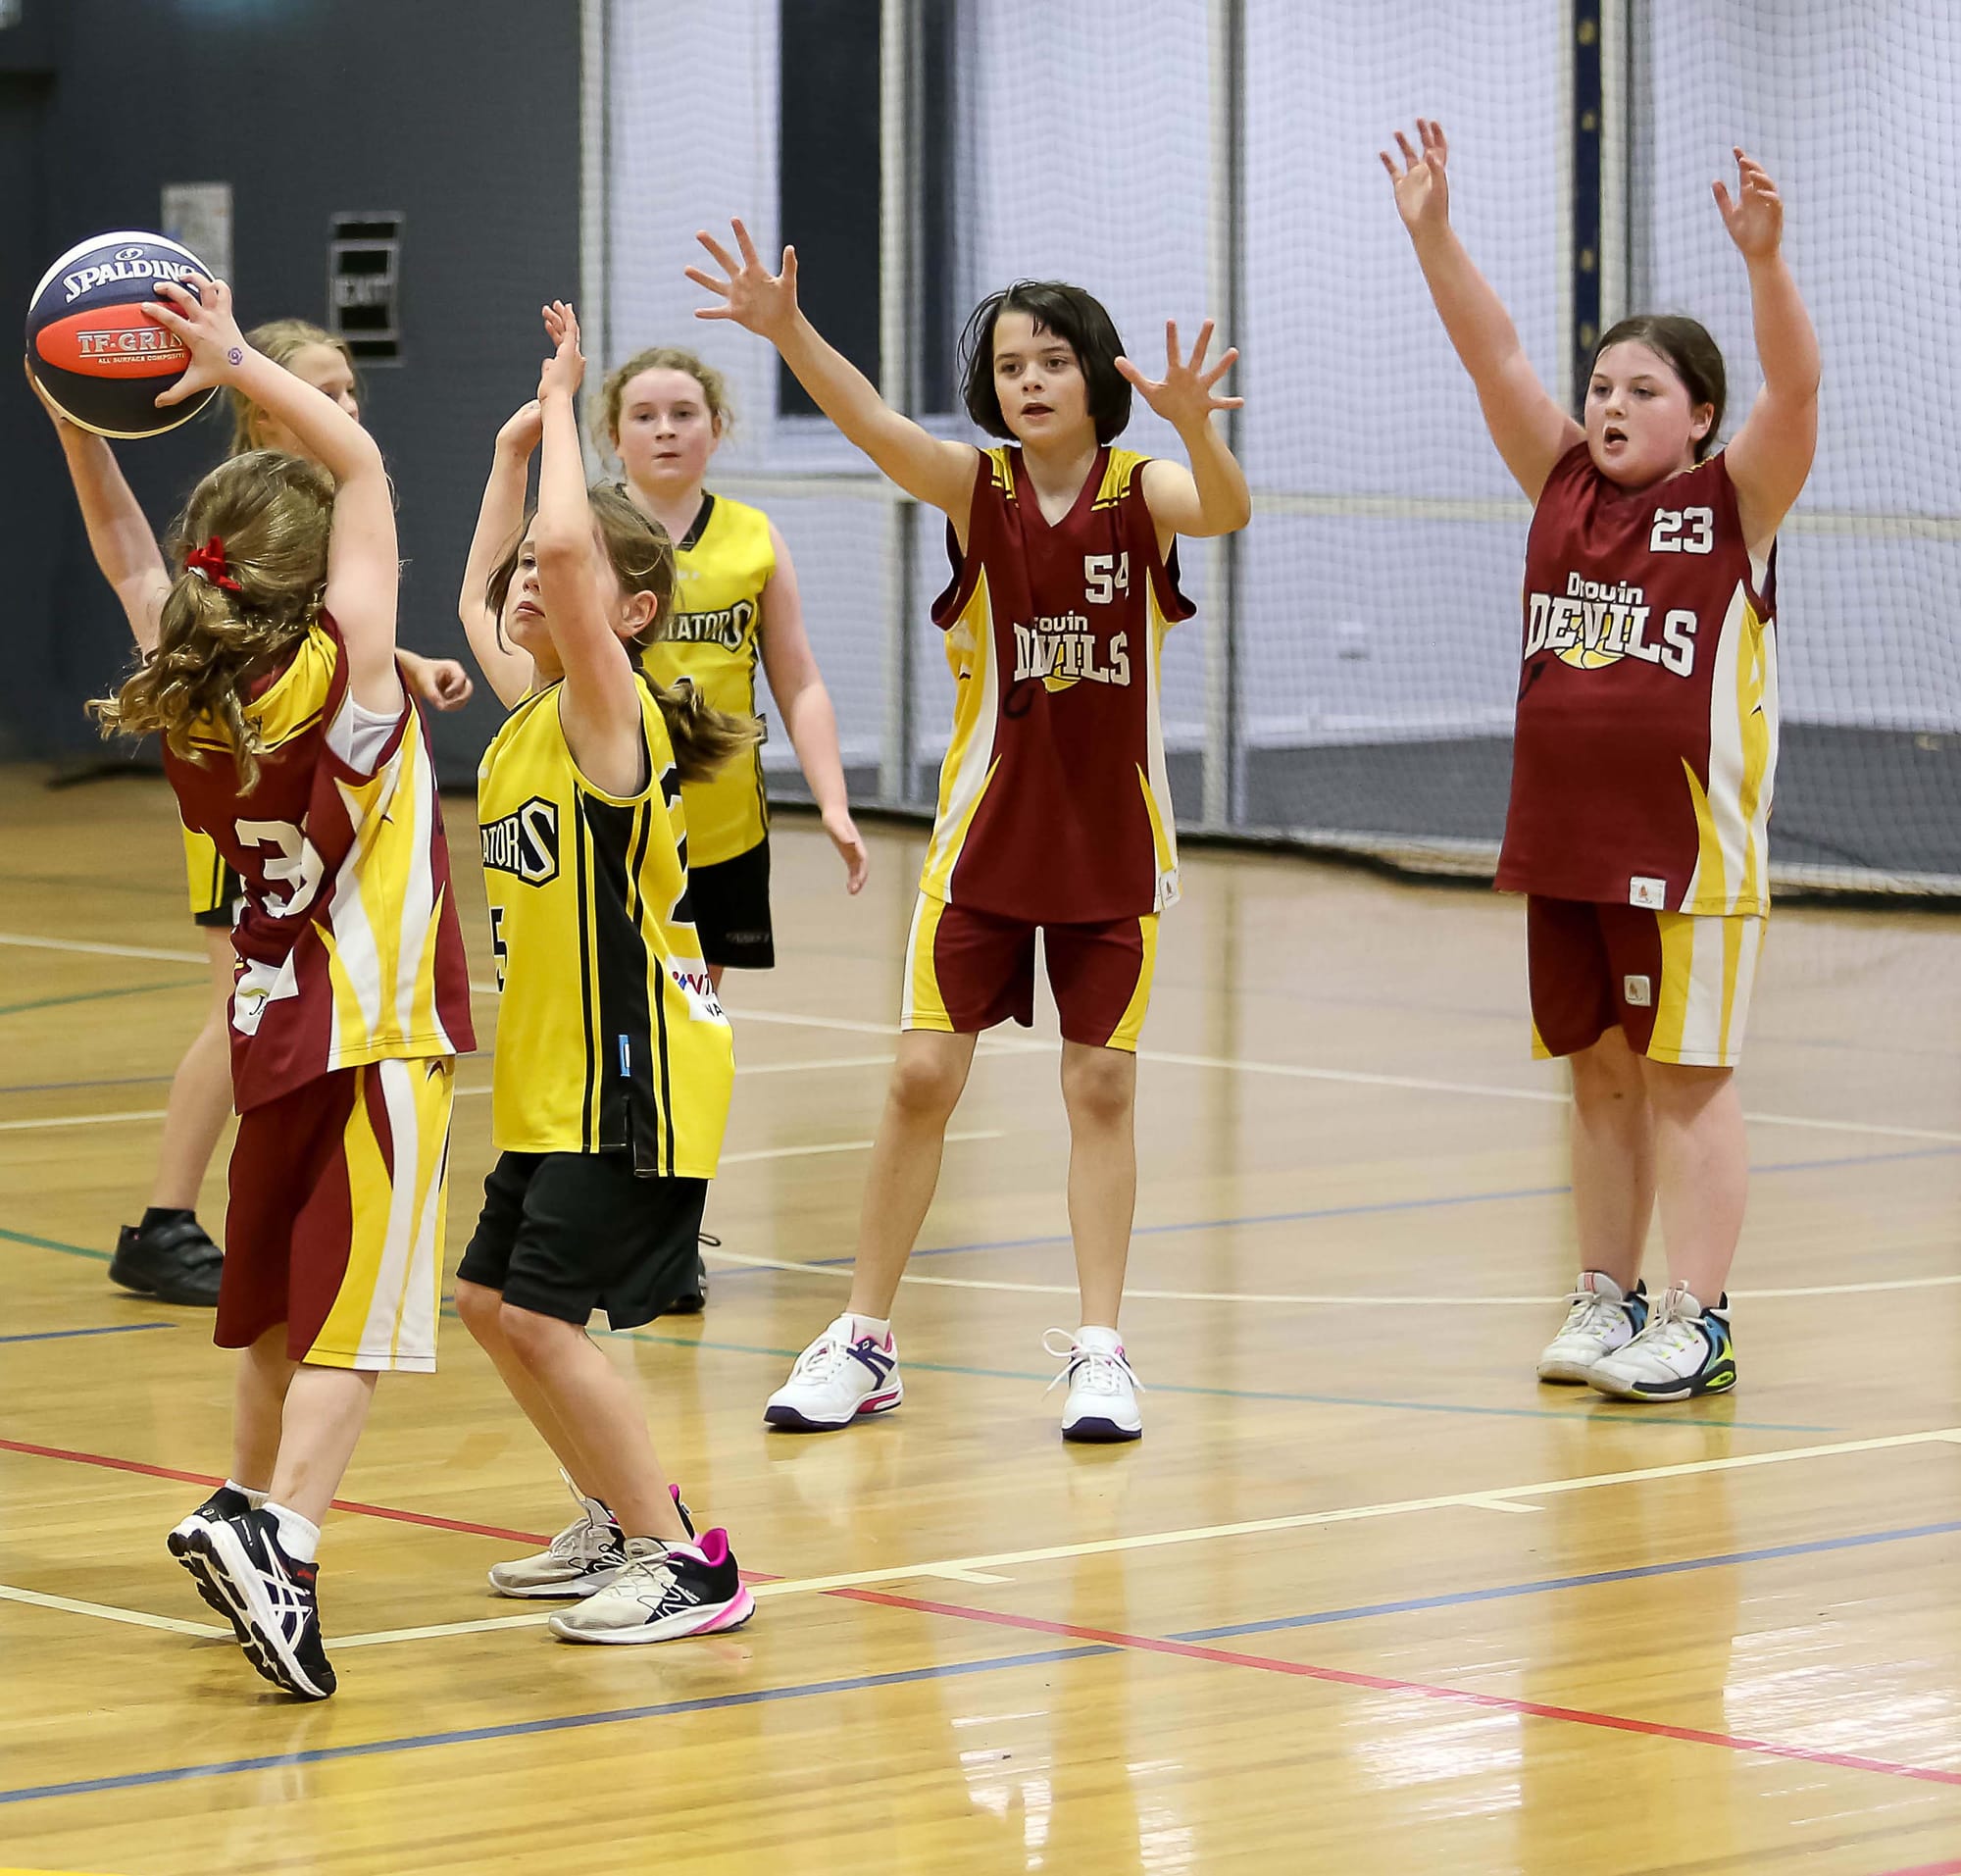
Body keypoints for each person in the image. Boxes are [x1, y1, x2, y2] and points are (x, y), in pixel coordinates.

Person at [688, 221, 1250, 1443]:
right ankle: (865, 1338)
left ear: (1096, 375)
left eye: (1051, 358)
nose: (1029, 380)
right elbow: (875, 428)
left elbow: (1219, 505)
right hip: (982, 840)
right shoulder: (975, 488)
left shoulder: (1138, 489)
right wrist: (788, 333)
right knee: (917, 1074)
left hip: (1111, 845)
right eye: (1009, 364)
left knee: (1099, 1085)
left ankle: (1100, 1350)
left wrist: (1198, 424)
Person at [1382, 122, 1819, 1398]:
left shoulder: (1735, 500)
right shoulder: (1561, 484)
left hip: (1687, 856)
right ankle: (1606, 1294)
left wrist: (1767, 266)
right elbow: (1496, 353)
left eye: (1643, 390)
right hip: (1566, 841)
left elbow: (1796, 393)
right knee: (1600, 1075)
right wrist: (1432, 233)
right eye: (1603, 386)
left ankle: (1701, 1312)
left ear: (1700, 418)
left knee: (1687, 1079)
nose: (1611, 404)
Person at [88, 274, 477, 1698]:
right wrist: (243, 356)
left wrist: (81, 416)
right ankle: (283, 1536)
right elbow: (364, 462)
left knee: (269, 1313)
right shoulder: (350, 677)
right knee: (358, 1324)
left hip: (267, 1032)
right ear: (321, 581)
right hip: (376, 1030)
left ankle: (243, 1528)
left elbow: (124, 540)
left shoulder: (182, 683)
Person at [29, 317, 471, 1309]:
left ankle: (213, 1211)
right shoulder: (312, 563)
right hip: (319, 833)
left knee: (254, 1003)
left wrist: (75, 428)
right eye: (326, 387)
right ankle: (177, 1214)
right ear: (256, 396)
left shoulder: (199, 618)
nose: (348, 409)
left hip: (245, 801)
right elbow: (332, 629)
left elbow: (133, 562)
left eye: (352, 389)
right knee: (254, 1005)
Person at [451, 301, 756, 1644]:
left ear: (625, 613)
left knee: (542, 1311)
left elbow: (571, 543)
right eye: (530, 569)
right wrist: (515, 457)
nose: (531, 580)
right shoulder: (528, 714)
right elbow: (478, 588)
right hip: (554, 1082)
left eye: (555, 577)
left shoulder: (602, 709)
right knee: (487, 1304)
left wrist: (570, 407)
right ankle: (609, 1514)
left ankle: (689, 1556)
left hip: (633, 1081)